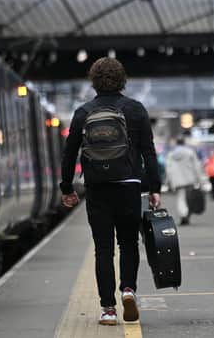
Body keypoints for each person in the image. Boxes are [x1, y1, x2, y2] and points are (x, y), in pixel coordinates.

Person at [60, 57, 161, 326]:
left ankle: (108, 310)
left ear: (94, 81)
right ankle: (128, 289)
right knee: (129, 243)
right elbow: (149, 153)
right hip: (129, 186)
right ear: (122, 79)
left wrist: (67, 187)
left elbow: (69, 154)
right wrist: (154, 188)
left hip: (97, 188)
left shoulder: (83, 112)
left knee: (103, 249)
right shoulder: (136, 109)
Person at [166, 136, 203, 225]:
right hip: (189, 179)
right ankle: (187, 214)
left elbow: (168, 168)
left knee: (181, 198)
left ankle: (183, 214)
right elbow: (196, 166)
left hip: (177, 180)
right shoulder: (190, 152)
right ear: (184, 143)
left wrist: (168, 180)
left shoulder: (171, 154)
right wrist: (200, 178)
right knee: (189, 198)